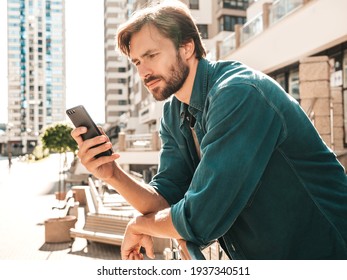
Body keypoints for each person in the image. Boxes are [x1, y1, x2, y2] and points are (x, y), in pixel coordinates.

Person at [71, 0, 347, 260]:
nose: (144, 71)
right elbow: (165, 199)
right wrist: (112, 174)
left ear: (187, 47)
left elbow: (200, 218)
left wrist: (139, 225)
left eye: (152, 55)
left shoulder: (238, 94)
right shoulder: (174, 110)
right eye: (137, 62)